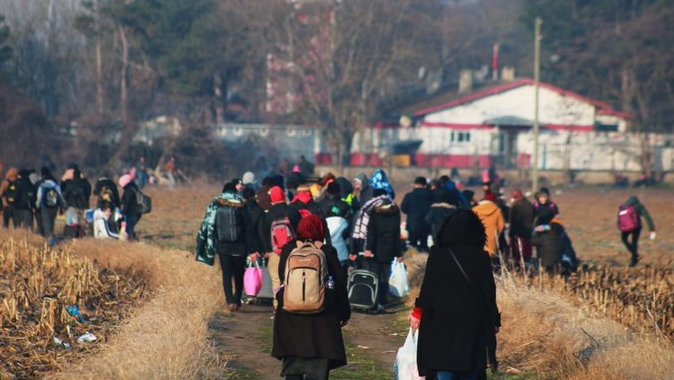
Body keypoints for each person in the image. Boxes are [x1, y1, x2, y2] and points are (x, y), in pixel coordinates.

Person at [409, 209, 500, 379]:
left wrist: (417, 312)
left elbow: (428, 287)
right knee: (470, 363)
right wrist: (494, 320)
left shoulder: (438, 253)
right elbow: (489, 292)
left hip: (441, 319)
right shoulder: (481, 256)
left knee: (443, 362)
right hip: (472, 320)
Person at [272, 215, 350, 380]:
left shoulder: (288, 250)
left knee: (293, 370)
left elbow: (282, 278)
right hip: (322, 320)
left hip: (290, 318)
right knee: (318, 372)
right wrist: (344, 313)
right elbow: (339, 285)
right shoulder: (327, 251)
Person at [258, 186, 302, 309]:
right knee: (291, 279)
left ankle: (278, 308)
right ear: (283, 196)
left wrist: (266, 250)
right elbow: (300, 230)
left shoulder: (267, 215)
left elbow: (262, 233)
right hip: (293, 252)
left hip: (274, 253)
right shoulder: (293, 212)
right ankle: (292, 306)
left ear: (272, 198)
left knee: (276, 280)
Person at [364, 189, 403, 312]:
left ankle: (373, 302)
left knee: (374, 276)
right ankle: (382, 301)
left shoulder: (375, 213)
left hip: (375, 249)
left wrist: (368, 249)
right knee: (385, 277)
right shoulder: (395, 213)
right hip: (389, 249)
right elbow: (397, 234)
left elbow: (371, 233)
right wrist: (399, 253)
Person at [619, 196, 656, 267]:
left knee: (624, 239)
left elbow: (620, 219)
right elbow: (647, 217)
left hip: (625, 227)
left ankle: (635, 255)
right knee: (634, 243)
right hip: (636, 227)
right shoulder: (639, 206)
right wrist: (652, 230)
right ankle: (634, 261)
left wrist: (620, 227)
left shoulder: (625, 206)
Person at [401, 177, 434, 252]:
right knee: (424, 245)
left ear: (415, 184)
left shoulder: (409, 195)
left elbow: (404, 209)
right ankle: (425, 261)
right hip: (426, 224)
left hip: (412, 225)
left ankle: (413, 262)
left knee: (412, 247)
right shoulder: (431, 195)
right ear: (425, 185)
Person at [473, 193, 505, 264]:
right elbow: (502, 225)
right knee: (491, 261)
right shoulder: (497, 210)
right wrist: (496, 234)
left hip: (478, 239)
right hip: (492, 239)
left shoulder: (474, 210)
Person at [35, 167, 65, 240]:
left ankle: (48, 240)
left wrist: (37, 206)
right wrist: (62, 207)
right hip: (54, 207)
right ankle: (51, 236)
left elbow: (39, 197)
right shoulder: (55, 185)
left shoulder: (42, 185)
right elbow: (60, 196)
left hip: (45, 207)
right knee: (52, 223)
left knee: (46, 223)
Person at [508, 189, 535, 270]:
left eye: (514, 197)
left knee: (518, 255)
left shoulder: (515, 206)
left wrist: (511, 234)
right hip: (528, 233)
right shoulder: (529, 204)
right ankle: (527, 269)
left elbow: (513, 221)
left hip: (518, 235)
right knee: (527, 254)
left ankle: (520, 270)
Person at [62, 168, 92, 238]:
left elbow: (64, 195)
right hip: (83, 206)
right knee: (84, 224)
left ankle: (74, 237)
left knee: (74, 225)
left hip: (72, 206)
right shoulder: (85, 183)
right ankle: (84, 238)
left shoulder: (69, 183)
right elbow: (89, 192)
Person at [119, 174, 142, 241]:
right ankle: (134, 239)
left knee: (129, 228)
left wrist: (122, 213)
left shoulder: (128, 191)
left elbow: (127, 203)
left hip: (132, 212)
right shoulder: (134, 187)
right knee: (130, 227)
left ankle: (131, 241)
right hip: (137, 212)